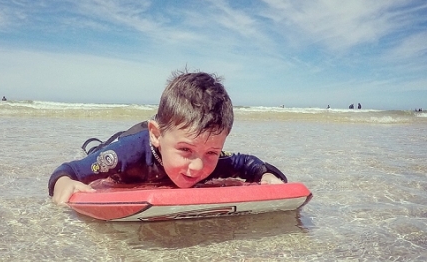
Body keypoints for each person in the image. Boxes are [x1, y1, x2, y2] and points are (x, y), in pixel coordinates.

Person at [49, 71, 287, 205]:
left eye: (212, 152)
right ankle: (95, 143)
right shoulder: (126, 155)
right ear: (156, 135)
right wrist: (63, 182)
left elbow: (247, 163)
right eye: (185, 150)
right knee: (97, 152)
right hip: (126, 140)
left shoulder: (205, 161)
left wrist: (266, 175)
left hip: (158, 132)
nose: (197, 167)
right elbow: (69, 171)